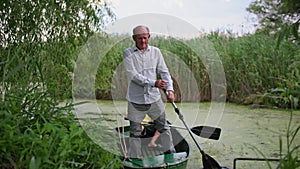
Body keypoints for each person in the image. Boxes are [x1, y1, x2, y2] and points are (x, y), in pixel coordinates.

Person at [123, 25, 176, 159]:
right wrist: (154, 83)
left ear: (149, 37)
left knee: (164, 127)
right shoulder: (128, 53)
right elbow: (133, 75)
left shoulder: (156, 52)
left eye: (145, 38)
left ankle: (170, 154)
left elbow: (164, 72)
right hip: (135, 100)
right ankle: (135, 158)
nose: (143, 41)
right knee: (135, 132)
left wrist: (170, 90)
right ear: (134, 38)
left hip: (154, 99)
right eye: (140, 38)